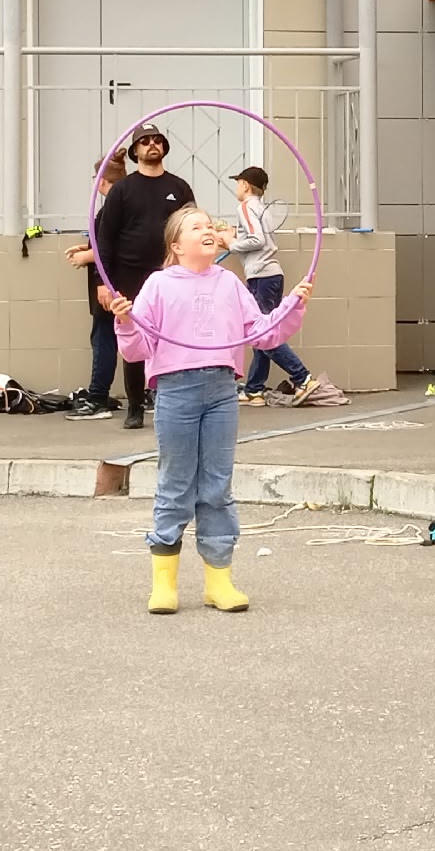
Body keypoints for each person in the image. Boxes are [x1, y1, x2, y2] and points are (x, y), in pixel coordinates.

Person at [108, 207, 311, 614]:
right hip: (175, 390)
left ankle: (219, 581)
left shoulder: (229, 282)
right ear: (176, 245)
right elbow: (138, 347)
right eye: (195, 226)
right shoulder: (158, 284)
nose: (207, 230)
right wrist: (126, 322)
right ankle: (164, 584)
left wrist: (293, 303)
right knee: (176, 482)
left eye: (209, 225)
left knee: (217, 485)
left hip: (222, 389)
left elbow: (261, 332)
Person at [93, 128, 194, 431]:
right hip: (130, 275)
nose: (152, 145)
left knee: (173, 336)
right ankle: (135, 406)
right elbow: (104, 240)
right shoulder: (122, 190)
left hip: (171, 274)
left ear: (164, 147)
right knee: (134, 338)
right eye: (145, 141)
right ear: (135, 151)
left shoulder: (179, 187)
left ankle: (168, 399)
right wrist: (102, 281)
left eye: (157, 140)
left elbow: (191, 228)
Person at [226, 166, 316, 406]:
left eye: (238, 183)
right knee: (262, 332)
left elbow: (257, 239)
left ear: (245, 185)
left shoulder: (245, 207)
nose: (237, 188)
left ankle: (303, 378)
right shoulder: (263, 209)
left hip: (261, 276)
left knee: (262, 334)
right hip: (272, 275)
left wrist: (231, 244)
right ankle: (254, 389)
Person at [63, 151, 131, 419]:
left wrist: (88, 257)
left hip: (112, 285)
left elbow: (117, 247)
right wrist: (88, 250)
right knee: (122, 339)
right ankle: (144, 393)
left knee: (104, 340)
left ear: (101, 180)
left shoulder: (113, 209)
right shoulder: (126, 205)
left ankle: (98, 397)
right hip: (120, 282)